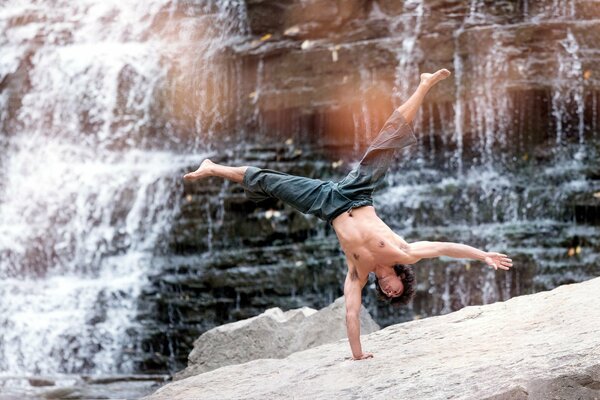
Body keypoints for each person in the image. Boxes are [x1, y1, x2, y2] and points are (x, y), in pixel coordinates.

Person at [183, 68, 513, 361]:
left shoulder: (358, 273)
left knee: (271, 182)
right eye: (396, 290)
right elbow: (444, 247)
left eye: (388, 295)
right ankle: (424, 85)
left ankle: (213, 168)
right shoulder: (405, 253)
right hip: (357, 192)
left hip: (328, 204)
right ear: (401, 278)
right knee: (389, 137)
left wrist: (357, 354)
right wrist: (482, 255)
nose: (390, 291)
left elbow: (351, 314)